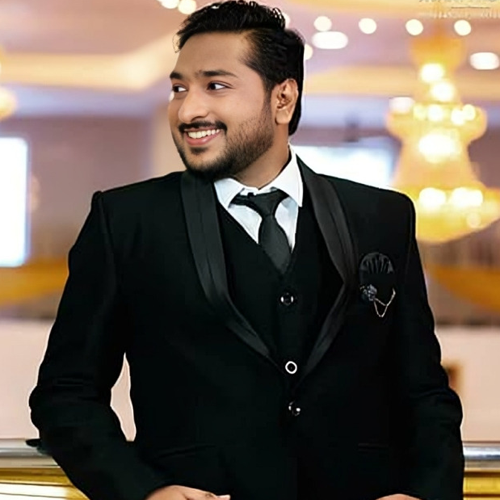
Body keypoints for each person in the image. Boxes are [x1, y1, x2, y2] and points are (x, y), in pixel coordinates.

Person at [29, 2, 464, 500]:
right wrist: (144, 492)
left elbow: (425, 392)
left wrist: (427, 494)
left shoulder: (382, 217)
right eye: (179, 88)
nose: (188, 110)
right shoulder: (125, 221)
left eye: (215, 85)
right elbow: (67, 394)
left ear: (283, 99)